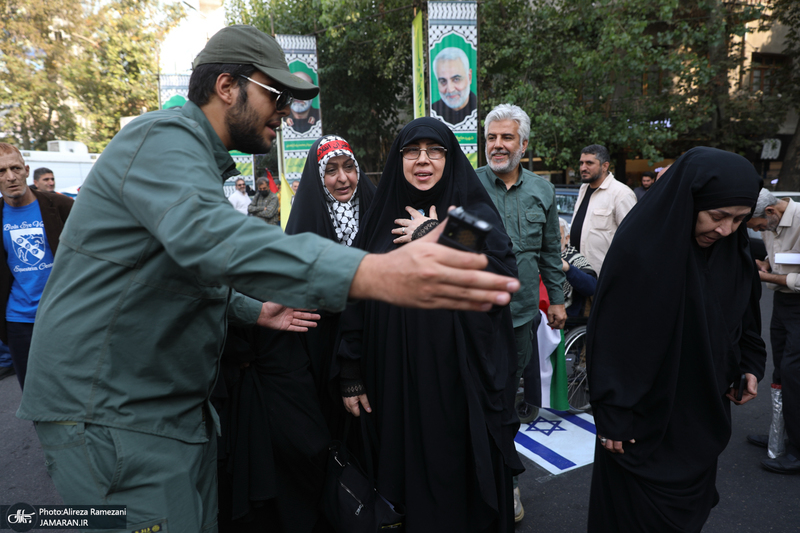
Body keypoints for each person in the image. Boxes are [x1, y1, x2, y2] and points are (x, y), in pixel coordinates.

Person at [16, 25, 519, 533]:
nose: (286, 112)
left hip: (165, 411)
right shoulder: (161, 137)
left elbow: (177, 270)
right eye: (277, 95)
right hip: (113, 414)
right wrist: (374, 272)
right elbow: (206, 238)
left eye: (436, 152)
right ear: (228, 87)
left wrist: (252, 309)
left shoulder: (199, 161)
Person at [337, 117, 523, 532]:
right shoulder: (380, 216)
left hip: (460, 384)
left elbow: (500, 271)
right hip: (394, 385)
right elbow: (356, 294)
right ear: (398, 159)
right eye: (412, 151)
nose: (423, 161)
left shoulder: (469, 213)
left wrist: (436, 234)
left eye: (434, 151)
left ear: (449, 157)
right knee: (402, 483)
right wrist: (350, 371)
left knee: (456, 483)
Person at [586, 147, 767, 532]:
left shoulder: (731, 250)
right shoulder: (640, 249)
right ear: (689, 201)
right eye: (717, 216)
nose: (726, 230)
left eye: (739, 219)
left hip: (702, 414)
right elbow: (614, 337)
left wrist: (750, 364)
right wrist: (614, 412)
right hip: (644, 421)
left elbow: (745, 315)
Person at [215, 135, 376, 532]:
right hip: (318, 357)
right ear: (317, 180)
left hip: (376, 350)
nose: (343, 179)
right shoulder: (299, 234)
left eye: (349, 168)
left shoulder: (379, 217)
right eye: (331, 171)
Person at [475, 104, 566, 523]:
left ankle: (508, 483)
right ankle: (473, 480)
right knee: (475, 397)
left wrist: (560, 300)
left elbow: (550, 252)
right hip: (474, 317)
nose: (497, 145)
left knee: (509, 402)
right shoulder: (468, 185)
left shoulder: (542, 191)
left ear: (524, 144)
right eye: (491, 137)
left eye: (506, 137)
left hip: (522, 317)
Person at [0, 144, 73, 390]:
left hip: (63, 313)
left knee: (73, 389)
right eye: (1, 171)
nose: (10, 177)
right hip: (19, 320)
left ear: (26, 170)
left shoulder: (59, 206)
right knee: (35, 394)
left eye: (15, 168)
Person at [746, 188, 800, 474]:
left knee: (795, 373)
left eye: (754, 226)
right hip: (782, 300)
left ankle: (798, 449)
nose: (755, 231)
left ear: (770, 212)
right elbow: (782, 257)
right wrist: (768, 263)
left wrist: (766, 275)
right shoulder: (772, 221)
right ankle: (781, 436)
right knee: (781, 370)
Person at [570, 144, 636, 274]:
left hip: (604, 277)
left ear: (605, 166)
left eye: (589, 163)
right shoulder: (583, 189)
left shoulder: (621, 194)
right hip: (578, 275)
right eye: (581, 163)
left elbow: (632, 241)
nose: (583, 168)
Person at [559, 218, 597, 318]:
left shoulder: (576, 259)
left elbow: (592, 287)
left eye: (556, 236)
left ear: (567, 238)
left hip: (566, 316)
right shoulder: (537, 255)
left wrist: (568, 268)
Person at [431, 47, 477, 126]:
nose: (450, 89)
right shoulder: (432, 113)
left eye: (456, 79)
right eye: (443, 81)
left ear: (469, 77)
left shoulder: (480, 111)